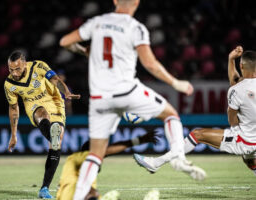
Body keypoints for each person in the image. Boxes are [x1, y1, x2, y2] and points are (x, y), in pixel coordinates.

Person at [59, 0, 205, 198]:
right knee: (170, 114)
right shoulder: (136, 28)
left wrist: (83, 50)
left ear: (115, 1)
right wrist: (175, 83)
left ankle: (77, 198)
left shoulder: (97, 22)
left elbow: (64, 42)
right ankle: (178, 156)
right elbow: (150, 64)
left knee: (95, 154)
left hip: (100, 98)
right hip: (128, 91)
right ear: (136, 3)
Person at [135, 46, 256, 176]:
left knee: (197, 134)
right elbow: (236, 82)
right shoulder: (239, 87)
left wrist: (237, 133)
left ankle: (156, 163)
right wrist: (231, 59)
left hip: (245, 140)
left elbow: (232, 117)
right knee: (250, 161)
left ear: (241, 66)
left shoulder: (237, 90)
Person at [4, 50, 80, 198]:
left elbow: (55, 80)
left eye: (17, 69)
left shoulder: (38, 66)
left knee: (55, 144)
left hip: (54, 101)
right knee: (42, 115)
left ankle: (44, 188)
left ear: (25, 64)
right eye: (11, 69)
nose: (14, 73)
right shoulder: (9, 84)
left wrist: (65, 90)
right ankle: (53, 132)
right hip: (33, 105)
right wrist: (13, 135)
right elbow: (14, 108)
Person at [56, 130, 158, 200]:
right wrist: (140, 140)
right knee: (93, 193)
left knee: (94, 193)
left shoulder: (75, 163)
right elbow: (111, 149)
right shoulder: (84, 157)